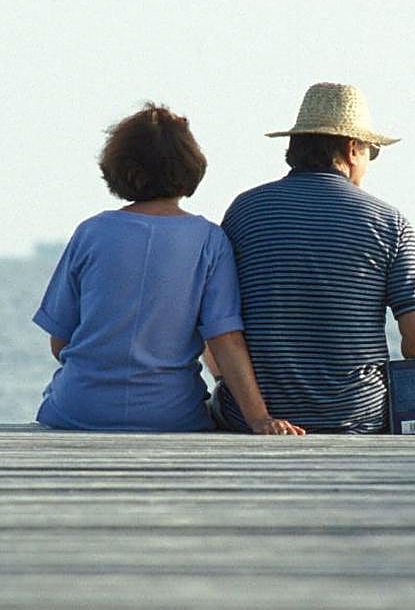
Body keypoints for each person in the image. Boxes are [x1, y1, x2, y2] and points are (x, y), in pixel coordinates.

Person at [34, 103, 304, 435]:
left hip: (77, 410)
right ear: (190, 165)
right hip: (170, 415)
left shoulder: (91, 232)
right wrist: (259, 418)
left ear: (119, 166)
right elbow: (225, 339)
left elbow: (59, 342)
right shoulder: (209, 240)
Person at [208, 82, 415, 434]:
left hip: (255, 421)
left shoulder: (245, 211)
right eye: (371, 152)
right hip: (357, 419)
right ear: (352, 149)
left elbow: (220, 327)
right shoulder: (389, 223)